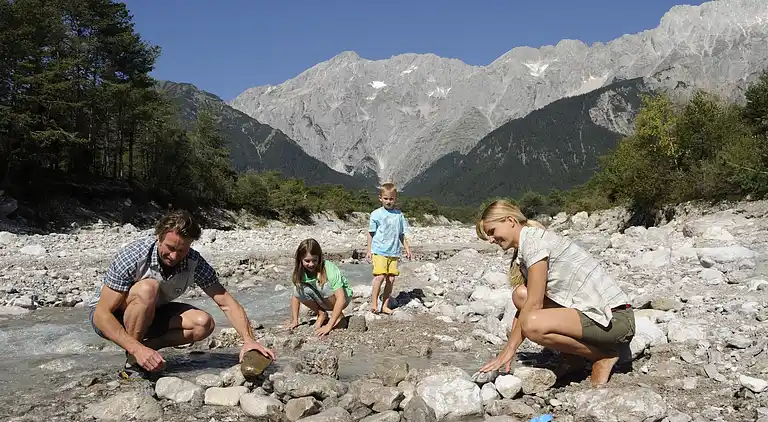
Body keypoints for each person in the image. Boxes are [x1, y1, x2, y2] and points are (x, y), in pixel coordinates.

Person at [88, 209, 275, 378]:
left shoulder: (194, 262)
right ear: (159, 237)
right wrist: (136, 348)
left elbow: (226, 302)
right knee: (148, 288)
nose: (174, 256)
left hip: (152, 312)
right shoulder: (133, 256)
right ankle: (134, 359)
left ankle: (147, 349)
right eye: (170, 248)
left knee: (203, 323)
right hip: (112, 317)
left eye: (181, 250)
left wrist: (249, 340)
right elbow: (101, 315)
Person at [475, 200, 635, 387]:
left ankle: (602, 356)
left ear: (510, 221)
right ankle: (574, 359)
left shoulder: (533, 244)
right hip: (597, 314)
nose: (491, 240)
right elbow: (526, 303)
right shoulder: (529, 242)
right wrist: (509, 347)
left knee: (532, 325)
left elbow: (534, 304)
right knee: (520, 295)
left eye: (492, 231)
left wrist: (510, 350)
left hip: (615, 319)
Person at [287, 238, 353, 337]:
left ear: (320, 258)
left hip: (343, 298)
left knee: (324, 286)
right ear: (300, 259)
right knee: (298, 290)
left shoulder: (329, 268)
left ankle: (339, 316)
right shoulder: (300, 271)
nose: (311, 264)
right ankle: (321, 314)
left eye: (314, 260)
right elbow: (295, 296)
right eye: (307, 261)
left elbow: (341, 298)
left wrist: (329, 326)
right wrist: (295, 320)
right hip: (323, 298)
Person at [366, 182, 413, 314]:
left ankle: (385, 305)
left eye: (391, 199)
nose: (388, 201)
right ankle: (374, 303)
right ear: (380, 198)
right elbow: (370, 233)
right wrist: (369, 250)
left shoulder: (399, 215)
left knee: (391, 279)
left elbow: (401, 234)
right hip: (379, 250)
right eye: (385, 198)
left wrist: (407, 249)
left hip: (394, 251)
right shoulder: (376, 214)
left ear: (395, 199)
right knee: (380, 276)